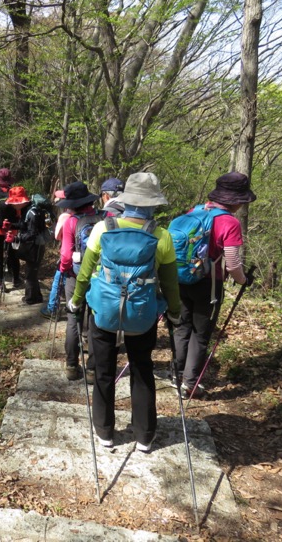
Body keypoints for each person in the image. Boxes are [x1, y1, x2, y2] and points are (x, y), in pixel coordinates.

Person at [68, 172, 182, 452]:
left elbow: (84, 273)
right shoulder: (161, 236)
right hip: (142, 316)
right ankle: (144, 436)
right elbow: (169, 283)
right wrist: (175, 313)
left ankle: (105, 432)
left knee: (104, 370)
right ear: (153, 204)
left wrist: (76, 300)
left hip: (104, 312)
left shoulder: (102, 228)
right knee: (142, 369)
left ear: (125, 200)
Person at [172, 172, 256, 398]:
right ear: (236, 200)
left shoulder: (194, 212)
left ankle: (176, 374)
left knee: (182, 327)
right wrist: (244, 280)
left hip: (180, 278)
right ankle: (189, 384)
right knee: (201, 333)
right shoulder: (229, 222)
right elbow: (232, 263)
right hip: (208, 285)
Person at [56, 181, 102, 380]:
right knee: (94, 321)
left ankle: (72, 366)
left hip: (75, 276)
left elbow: (66, 256)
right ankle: (92, 370)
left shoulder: (70, 222)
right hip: (100, 276)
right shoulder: (105, 218)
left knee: (73, 320)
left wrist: (65, 271)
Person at [6, 188, 48, 304]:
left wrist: (15, 238)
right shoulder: (27, 210)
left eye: (14, 203)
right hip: (33, 245)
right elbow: (24, 225)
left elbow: (32, 234)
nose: (13, 206)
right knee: (31, 272)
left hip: (36, 246)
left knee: (30, 274)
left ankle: (30, 299)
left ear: (21, 201)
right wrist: (12, 225)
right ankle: (36, 297)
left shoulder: (32, 213)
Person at [40, 188, 71, 319]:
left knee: (58, 281)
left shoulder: (65, 216)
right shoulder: (87, 214)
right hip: (82, 257)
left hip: (67, 254)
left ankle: (52, 309)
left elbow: (57, 236)